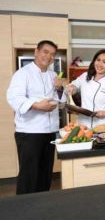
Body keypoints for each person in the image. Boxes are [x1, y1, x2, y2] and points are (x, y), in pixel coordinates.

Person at [7, 40, 65, 194]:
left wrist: (60, 89)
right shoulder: (23, 74)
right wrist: (36, 105)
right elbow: (13, 97)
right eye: (45, 52)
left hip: (50, 131)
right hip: (29, 132)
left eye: (52, 54)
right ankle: (24, 210)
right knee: (29, 176)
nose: (49, 56)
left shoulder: (53, 75)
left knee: (45, 174)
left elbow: (61, 101)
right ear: (36, 52)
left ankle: (41, 207)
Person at [66, 49, 105, 129]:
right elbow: (75, 84)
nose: (100, 64)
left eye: (104, 62)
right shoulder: (85, 76)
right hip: (82, 125)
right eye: (98, 60)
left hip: (102, 125)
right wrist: (72, 87)